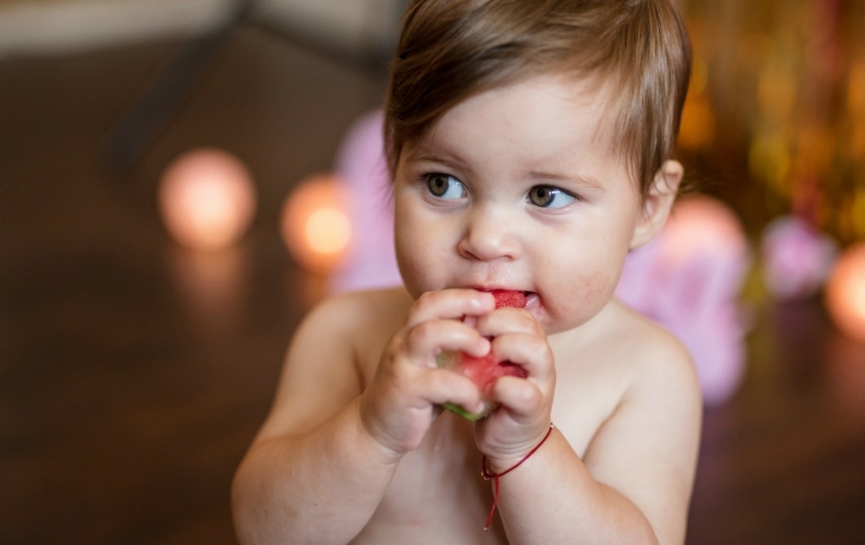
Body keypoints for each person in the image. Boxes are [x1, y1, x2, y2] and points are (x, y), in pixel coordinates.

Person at [232, 0, 701, 543]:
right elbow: (263, 530)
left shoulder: (646, 374)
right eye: (442, 183)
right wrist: (370, 428)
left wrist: (527, 453)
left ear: (647, 207)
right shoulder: (344, 335)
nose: (484, 240)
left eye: (545, 195)